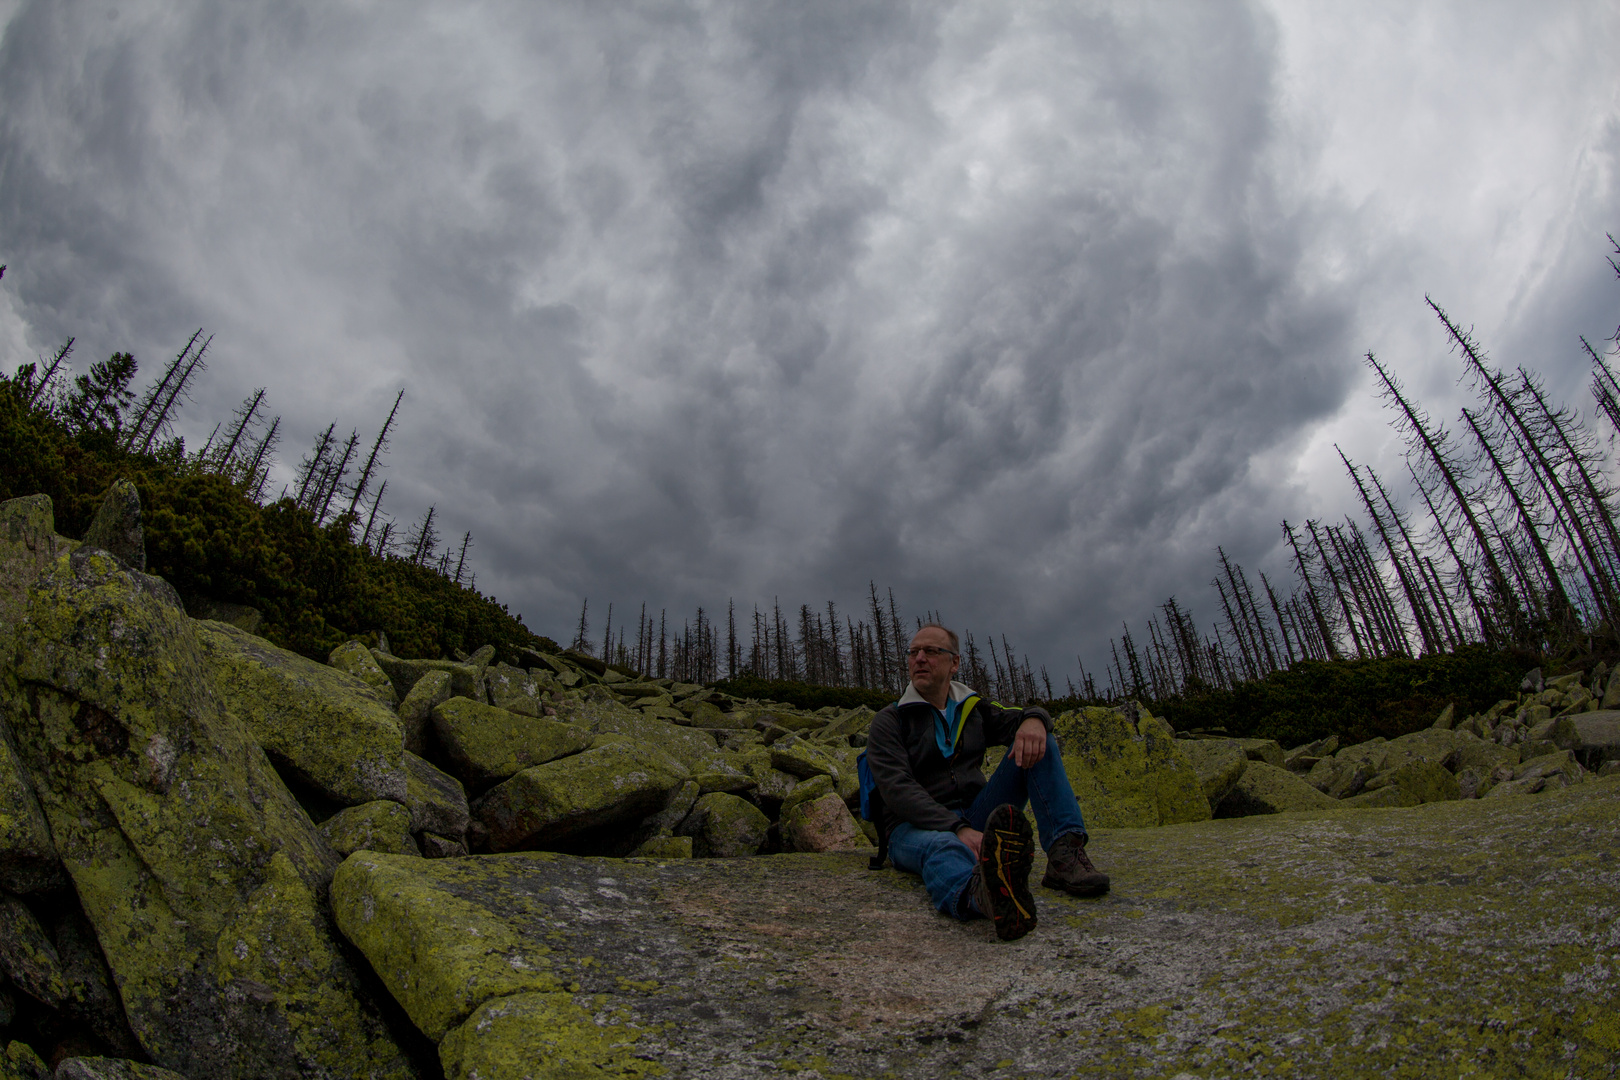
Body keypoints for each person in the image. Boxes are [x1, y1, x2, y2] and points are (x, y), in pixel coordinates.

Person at [865, 623, 1109, 941]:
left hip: (975, 814)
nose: (919, 658)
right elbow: (897, 789)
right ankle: (982, 895)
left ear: (954, 663)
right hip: (911, 827)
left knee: (1039, 741)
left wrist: (1035, 720)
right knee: (942, 847)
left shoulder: (973, 708)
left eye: (931, 651)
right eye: (913, 652)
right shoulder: (891, 719)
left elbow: (1021, 715)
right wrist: (957, 828)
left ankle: (1064, 855)